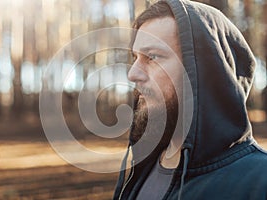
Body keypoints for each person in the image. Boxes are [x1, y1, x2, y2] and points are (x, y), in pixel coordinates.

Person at [113, 0, 267, 199]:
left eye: (152, 57)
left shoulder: (259, 181)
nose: (132, 74)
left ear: (204, 71)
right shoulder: (146, 166)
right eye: (135, 58)